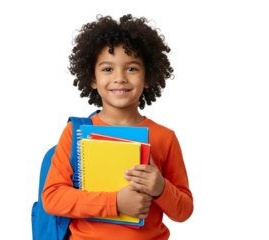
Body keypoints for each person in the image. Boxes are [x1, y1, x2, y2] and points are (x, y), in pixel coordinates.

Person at [42, 11, 194, 240]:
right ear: (92, 78)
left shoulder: (165, 136)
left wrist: (161, 188)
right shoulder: (75, 132)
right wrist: (115, 202)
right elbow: (52, 199)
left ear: (148, 76)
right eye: (107, 69)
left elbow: (183, 213)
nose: (120, 77)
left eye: (132, 68)